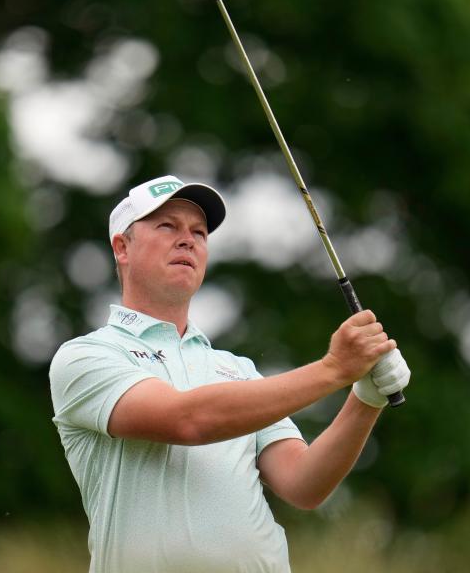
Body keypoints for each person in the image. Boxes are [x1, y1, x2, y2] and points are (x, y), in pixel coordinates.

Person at [49, 174, 411, 573]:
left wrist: (366, 398)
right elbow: (188, 420)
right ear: (122, 247)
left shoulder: (238, 371)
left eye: (199, 232)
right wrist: (334, 369)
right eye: (167, 225)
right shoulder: (87, 356)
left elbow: (303, 483)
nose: (187, 239)